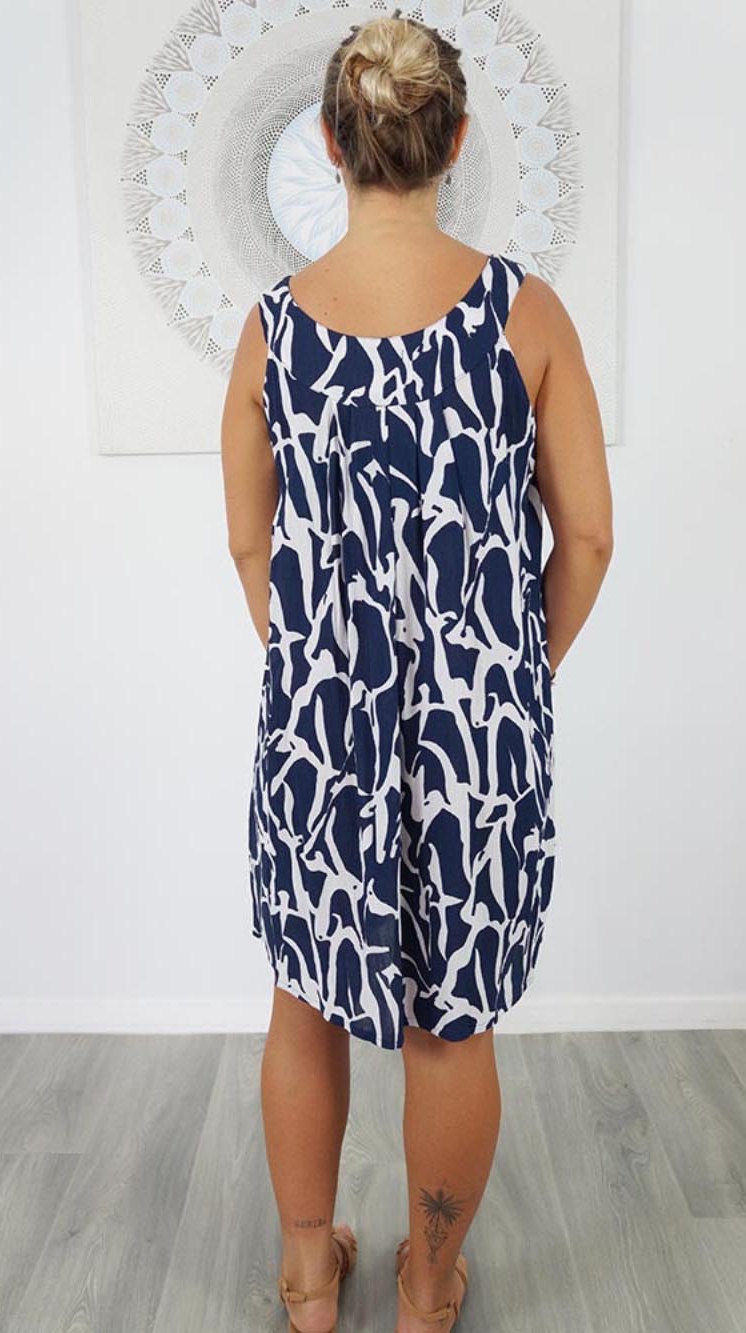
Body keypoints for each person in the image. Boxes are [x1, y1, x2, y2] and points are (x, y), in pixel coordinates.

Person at [221, 11, 613, 1331]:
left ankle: (308, 1275)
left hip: (320, 723)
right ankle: (430, 1283)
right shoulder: (525, 313)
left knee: (306, 995)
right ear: (454, 142)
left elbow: (249, 541)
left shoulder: (274, 331)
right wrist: (514, 671)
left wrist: (317, 669)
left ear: (333, 147)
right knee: (456, 1017)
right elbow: (589, 535)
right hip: (477, 735)